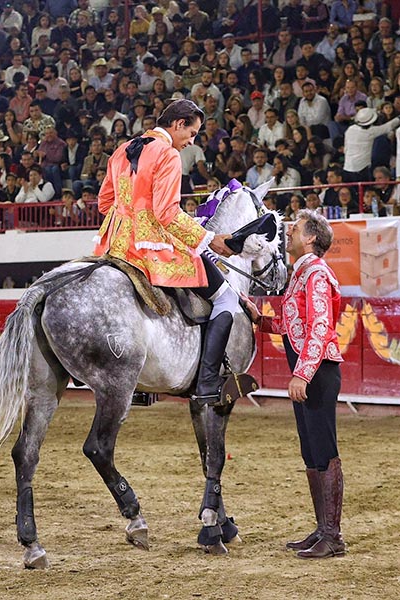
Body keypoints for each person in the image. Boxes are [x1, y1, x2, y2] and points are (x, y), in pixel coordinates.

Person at [93, 99, 238, 405]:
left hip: (114, 245)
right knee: (226, 296)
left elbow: (105, 203)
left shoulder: (123, 149)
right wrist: (209, 238)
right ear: (177, 124)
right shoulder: (168, 153)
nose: (192, 141)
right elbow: (167, 214)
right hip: (151, 248)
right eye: (193, 133)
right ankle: (208, 381)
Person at [242, 209, 346, 560]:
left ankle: (333, 536)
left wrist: (302, 373)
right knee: (312, 451)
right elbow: (295, 327)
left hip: (317, 373)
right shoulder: (302, 275)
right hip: (312, 369)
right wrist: (262, 321)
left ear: (312, 238)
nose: (289, 231)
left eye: (296, 228)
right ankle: (323, 530)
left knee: (324, 449)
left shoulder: (315, 272)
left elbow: (320, 327)